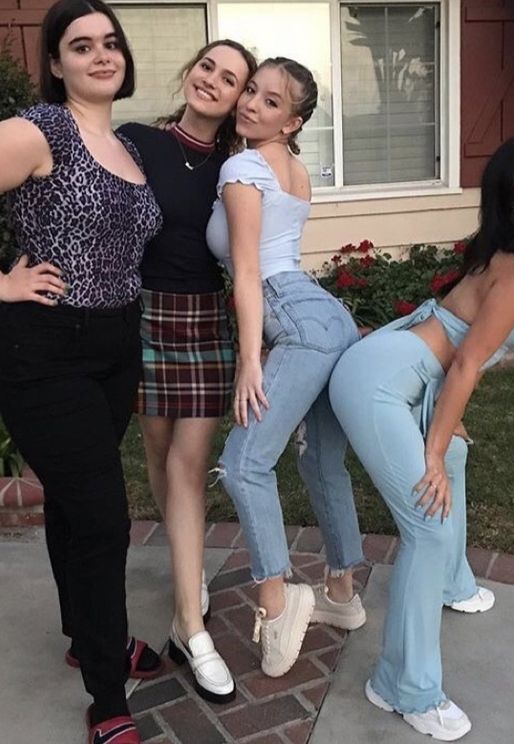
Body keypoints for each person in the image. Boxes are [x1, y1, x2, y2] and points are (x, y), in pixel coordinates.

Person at [0, 2, 164, 742]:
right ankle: (107, 697)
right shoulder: (38, 131)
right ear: (56, 64)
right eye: (81, 46)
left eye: (110, 42)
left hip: (113, 345)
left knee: (74, 505)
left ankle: (88, 637)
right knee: (105, 519)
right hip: (44, 350)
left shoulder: (123, 144)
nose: (100, 55)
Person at [329, 132, 514, 741]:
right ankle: (401, 685)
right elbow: (467, 360)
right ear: (513, 201)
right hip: (382, 382)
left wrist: (446, 431)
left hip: (406, 369)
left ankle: (452, 582)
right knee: (427, 523)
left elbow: (457, 338)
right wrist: (432, 452)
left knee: (455, 462)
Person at [206, 58, 366, 679]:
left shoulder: (243, 165)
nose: (250, 104)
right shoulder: (293, 169)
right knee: (321, 460)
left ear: (292, 120)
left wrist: (252, 359)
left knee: (246, 464)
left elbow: (249, 271)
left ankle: (278, 605)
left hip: (295, 317)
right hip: (327, 314)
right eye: (251, 91)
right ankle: (342, 594)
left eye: (271, 102)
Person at [116, 39, 256, 704]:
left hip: (203, 321)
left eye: (229, 79)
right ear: (189, 71)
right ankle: (187, 575)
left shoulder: (237, 164)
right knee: (156, 450)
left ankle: (190, 626)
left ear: (237, 100)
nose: (213, 82)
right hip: (141, 312)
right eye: (208, 67)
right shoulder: (136, 140)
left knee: (188, 464)